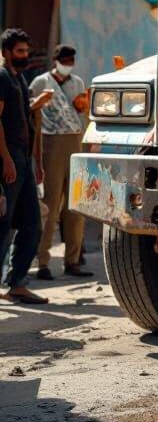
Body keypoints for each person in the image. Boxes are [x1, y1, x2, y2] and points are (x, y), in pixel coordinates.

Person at [29, 45, 94, 278]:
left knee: (75, 205)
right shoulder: (40, 82)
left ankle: (73, 260)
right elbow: (31, 113)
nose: (68, 64)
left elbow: (82, 111)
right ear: (56, 60)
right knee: (51, 203)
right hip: (51, 143)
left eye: (71, 60)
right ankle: (43, 261)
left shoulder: (77, 82)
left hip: (74, 141)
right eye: (65, 59)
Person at [0, 28, 49, 304]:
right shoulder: (2, 77)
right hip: (9, 158)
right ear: (7, 52)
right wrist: (6, 160)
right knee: (3, 224)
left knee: (32, 223)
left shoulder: (18, 78)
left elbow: (18, 116)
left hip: (23, 158)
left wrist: (34, 105)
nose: (24, 56)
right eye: (19, 51)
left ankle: (16, 282)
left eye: (26, 51)